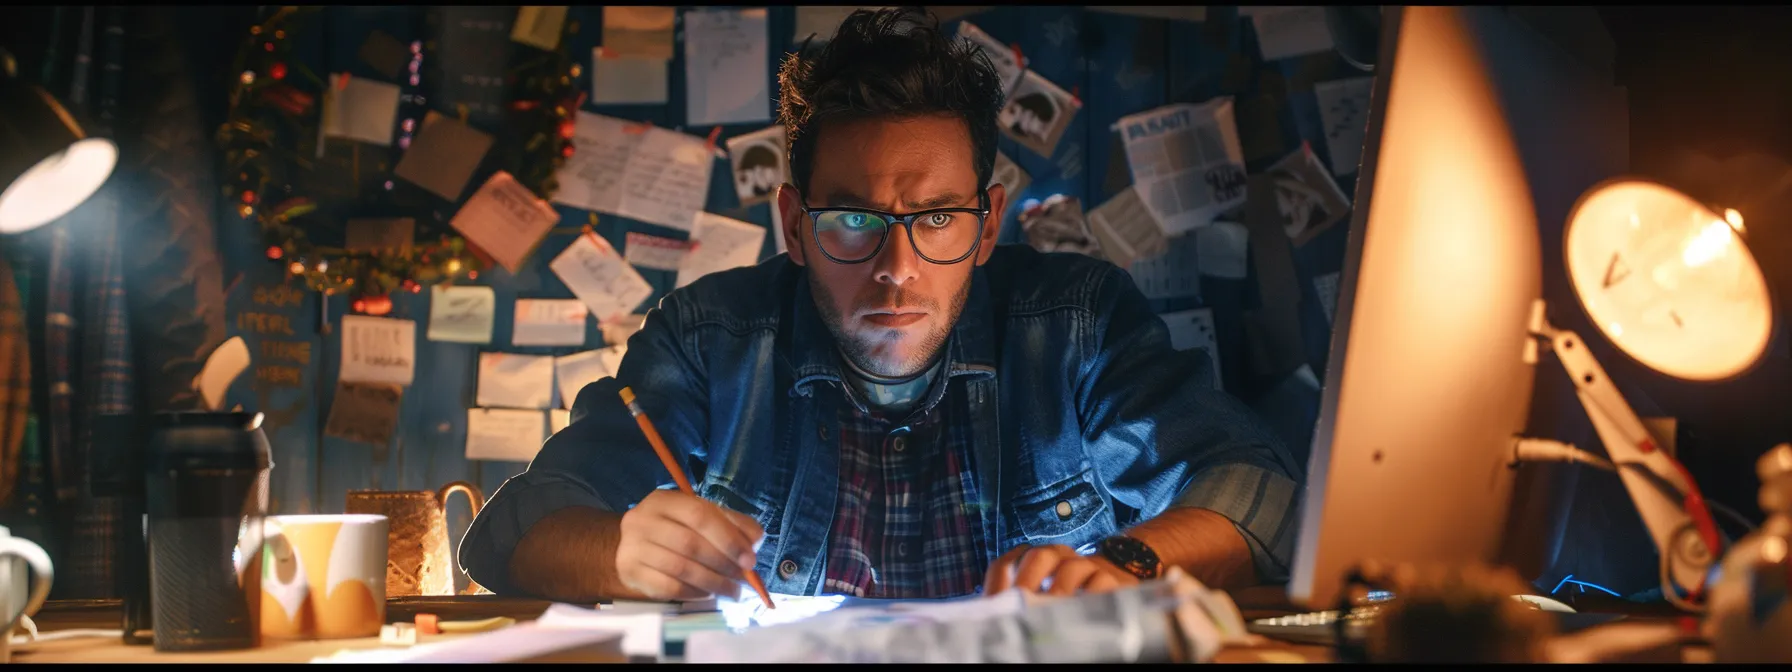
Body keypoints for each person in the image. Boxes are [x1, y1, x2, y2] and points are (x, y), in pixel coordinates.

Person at [458, 8, 1303, 603]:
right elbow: (512, 533)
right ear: (792, 224)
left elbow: (1258, 492)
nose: (896, 268)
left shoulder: (1076, 324)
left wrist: (1125, 561)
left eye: (935, 217)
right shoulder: (707, 340)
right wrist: (619, 554)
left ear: (986, 225)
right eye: (853, 220)